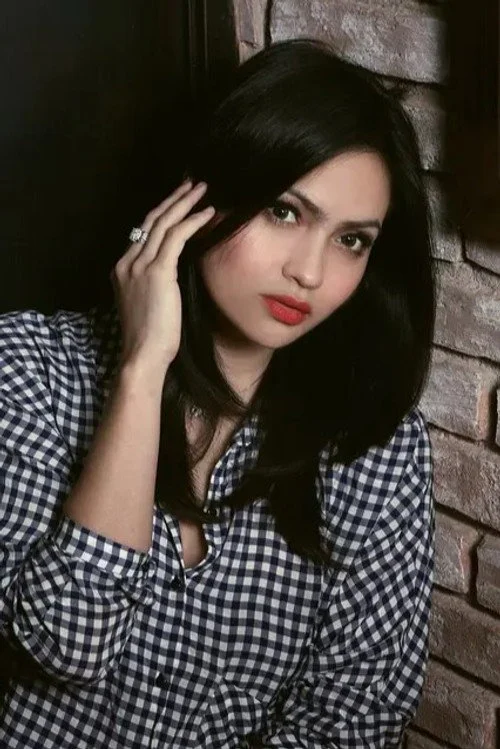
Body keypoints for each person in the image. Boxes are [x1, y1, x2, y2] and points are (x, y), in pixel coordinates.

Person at [0, 38, 436, 749]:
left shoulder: (375, 449)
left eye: (352, 240)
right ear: (194, 199)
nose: (310, 272)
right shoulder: (30, 369)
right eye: (285, 211)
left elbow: (352, 720)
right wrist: (141, 372)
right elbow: (66, 645)